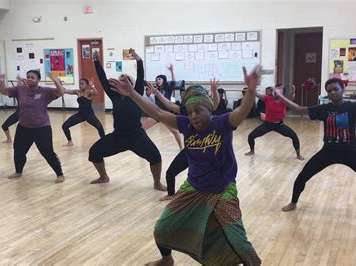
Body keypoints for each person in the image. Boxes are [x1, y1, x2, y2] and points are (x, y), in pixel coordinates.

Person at [107, 65, 262, 265]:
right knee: (162, 229)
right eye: (189, 112)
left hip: (223, 190)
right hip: (193, 188)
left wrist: (250, 91)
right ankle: (166, 260)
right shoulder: (186, 125)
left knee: (238, 241)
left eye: (198, 110)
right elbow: (158, 112)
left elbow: (241, 112)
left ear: (208, 108)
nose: (193, 116)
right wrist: (132, 94)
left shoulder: (221, 124)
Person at [277, 78, 356, 222]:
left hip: (350, 153)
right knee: (302, 176)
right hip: (328, 152)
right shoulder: (324, 109)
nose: (333, 93)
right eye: (329, 91)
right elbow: (299, 109)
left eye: (336, 89)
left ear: (343, 89)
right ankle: (293, 202)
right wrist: (280, 96)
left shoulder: (353, 107)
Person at [88, 49, 166, 191]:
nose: (124, 83)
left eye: (127, 81)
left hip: (137, 135)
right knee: (94, 152)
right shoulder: (114, 96)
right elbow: (102, 79)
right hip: (118, 136)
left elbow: (140, 74)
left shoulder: (136, 94)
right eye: (121, 80)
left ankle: (157, 183)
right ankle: (104, 177)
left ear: (132, 84)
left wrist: (139, 60)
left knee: (155, 157)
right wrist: (96, 61)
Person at [147, 79, 221, 201]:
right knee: (170, 173)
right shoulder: (187, 109)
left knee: (206, 177)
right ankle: (171, 194)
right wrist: (157, 93)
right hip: (190, 149)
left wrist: (215, 91)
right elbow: (170, 105)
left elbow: (215, 105)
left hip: (207, 150)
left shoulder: (205, 108)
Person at [0, 70, 66, 183]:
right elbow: (4, 91)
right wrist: (1, 82)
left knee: (47, 152)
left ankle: (60, 174)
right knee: (18, 151)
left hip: (42, 128)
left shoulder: (45, 91)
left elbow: (61, 92)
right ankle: (18, 171)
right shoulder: (20, 89)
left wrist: (55, 80)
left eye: (32, 77)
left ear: (38, 80)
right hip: (24, 127)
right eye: (28, 77)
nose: (29, 79)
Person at [245, 85, 304, 160]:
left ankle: (298, 155)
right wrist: (251, 88)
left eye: (279, 90)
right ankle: (252, 151)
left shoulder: (284, 101)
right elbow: (256, 94)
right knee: (251, 136)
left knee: (294, 136)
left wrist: (292, 92)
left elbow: (291, 98)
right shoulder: (267, 98)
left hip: (279, 125)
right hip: (267, 124)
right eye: (276, 89)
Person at [142, 64, 183, 149]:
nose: (158, 81)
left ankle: (181, 148)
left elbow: (173, 82)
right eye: (156, 79)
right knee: (142, 130)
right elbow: (144, 82)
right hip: (156, 113)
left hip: (166, 114)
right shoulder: (155, 88)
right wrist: (138, 71)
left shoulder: (168, 88)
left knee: (175, 132)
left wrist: (171, 71)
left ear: (163, 80)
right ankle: (143, 147)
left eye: (159, 79)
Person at [61, 77, 105, 146]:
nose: (81, 85)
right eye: (80, 84)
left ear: (86, 85)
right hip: (80, 115)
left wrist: (92, 86)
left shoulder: (89, 92)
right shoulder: (77, 92)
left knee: (99, 127)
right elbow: (66, 90)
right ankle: (70, 142)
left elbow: (96, 93)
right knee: (64, 126)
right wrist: (59, 85)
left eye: (82, 84)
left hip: (89, 115)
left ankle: (104, 141)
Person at [0, 75, 24, 143]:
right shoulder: (17, 92)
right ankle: (9, 139)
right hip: (19, 113)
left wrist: (21, 80)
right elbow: (5, 91)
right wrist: (19, 80)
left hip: (27, 114)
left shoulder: (29, 91)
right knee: (4, 126)